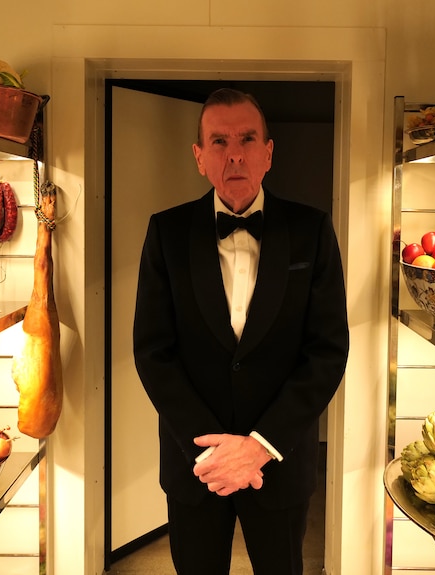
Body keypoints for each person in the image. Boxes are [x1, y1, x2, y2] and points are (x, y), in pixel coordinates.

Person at [132, 87, 349, 575]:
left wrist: (259, 446)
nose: (234, 153)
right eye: (218, 141)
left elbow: (328, 351)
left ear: (268, 153)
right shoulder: (166, 233)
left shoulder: (312, 230)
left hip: (279, 463)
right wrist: (212, 452)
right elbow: (153, 352)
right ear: (199, 157)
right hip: (196, 468)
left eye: (248, 138)